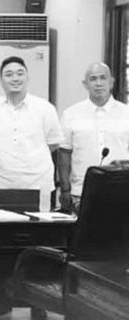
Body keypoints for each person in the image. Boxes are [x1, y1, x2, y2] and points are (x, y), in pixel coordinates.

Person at [0, 56, 64, 212]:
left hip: (39, 185)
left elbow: (53, 144)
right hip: (1, 185)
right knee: (1, 234)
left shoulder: (45, 108)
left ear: (27, 77)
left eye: (20, 73)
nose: (15, 78)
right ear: (1, 80)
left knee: (40, 234)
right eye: (9, 74)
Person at [59, 62, 129, 213]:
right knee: (85, 236)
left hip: (122, 190)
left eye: (103, 78)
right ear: (85, 84)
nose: (98, 83)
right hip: (81, 193)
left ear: (111, 82)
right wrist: (65, 190)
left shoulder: (126, 114)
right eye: (93, 79)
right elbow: (64, 154)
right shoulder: (71, 114)